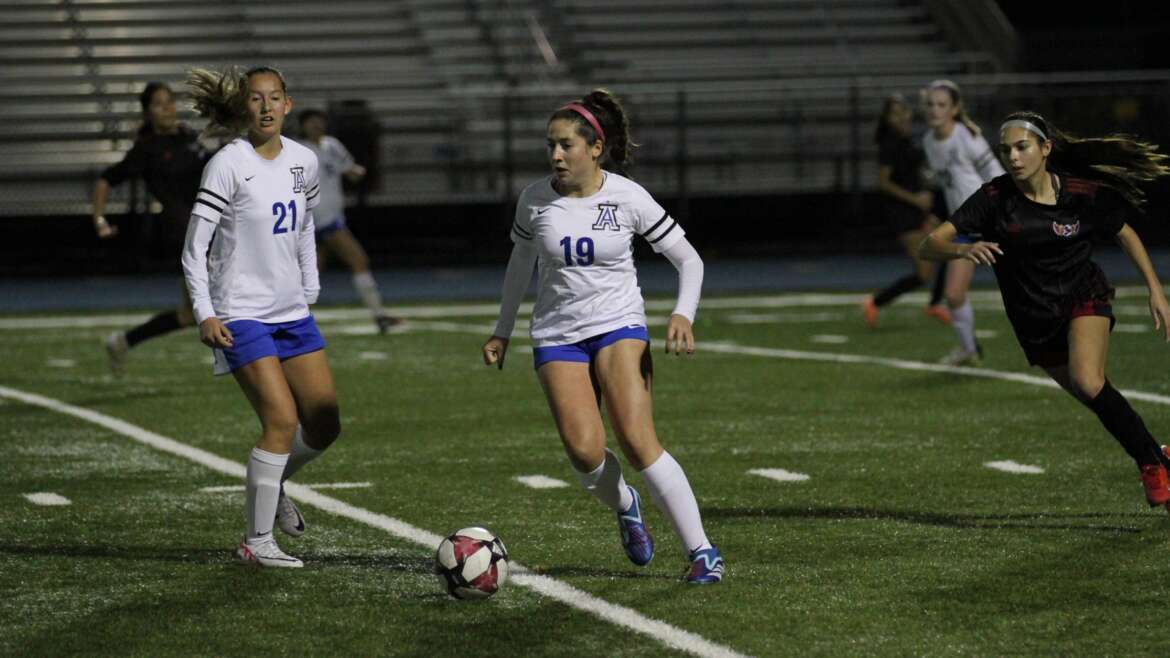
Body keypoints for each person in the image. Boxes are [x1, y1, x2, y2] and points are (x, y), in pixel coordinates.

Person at [481, 89, 724, 584]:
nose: (555, 155)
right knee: (586, 452)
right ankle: (626, 502)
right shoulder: (534, 199)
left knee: (636, 441)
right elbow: (519, 265)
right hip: (557, 334)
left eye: (566, 145)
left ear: (596, 148)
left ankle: (702, 551)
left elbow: (689, 259)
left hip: (619, 325)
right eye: (551, 144)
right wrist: (501, 331)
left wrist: (683, 314)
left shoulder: (628, 196)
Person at [919, 110, 1170, 510]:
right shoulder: (993, 199)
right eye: (1006, 150)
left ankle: (1149, 465)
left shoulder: (1079, 193)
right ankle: (1158, 455)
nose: (1013, 157)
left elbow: (1125, 233)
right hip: (1032, 317)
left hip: (1083, 296)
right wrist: (964, 248)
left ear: (1045, 148)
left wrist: (1156, 291)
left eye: (1022, 147)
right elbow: (930, 244)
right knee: (1094, 396)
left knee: (1089, 381)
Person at [182, 65, 341, 568]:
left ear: (288, 105)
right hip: (241, 312)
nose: (267, 107)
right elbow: (194, 248)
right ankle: (256, 542)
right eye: (256, 99)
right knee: (281, 420)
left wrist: (309, 287)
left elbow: (303, 227)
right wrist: (205, 312)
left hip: (292, 312)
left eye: (275, 98)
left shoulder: (304, 161)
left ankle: (274, 488)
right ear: (244, 108)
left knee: (324, 422)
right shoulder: (228, 164)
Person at [92, 82, 212, 374]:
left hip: (213, 227)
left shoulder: (187, 136)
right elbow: (106, 179)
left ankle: (123, 341)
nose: (168, 107)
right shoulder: (147, 149)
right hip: (188, 235)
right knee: (229, 303)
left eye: (170, 101)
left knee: (189, 315)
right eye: (159, 104)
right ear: (148, 113)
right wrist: (99, 218)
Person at [922, 80, 1006, 365]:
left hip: (990, 220)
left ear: (955, 109)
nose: (934, 110)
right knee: (954, 295)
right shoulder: (929, 142)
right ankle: (970, 350)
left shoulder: (967, 137)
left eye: (941, 105)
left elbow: (998, 179)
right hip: (965, 226)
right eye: (931, 104)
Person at [297, 109, 401, 333]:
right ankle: (379, 314)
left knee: (314, 274)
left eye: (319, 121)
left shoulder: (332, 145)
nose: (316, 125)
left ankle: (297, 322)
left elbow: (348, 169)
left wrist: (356, 171)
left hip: (331, 218)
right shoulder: (299, 151)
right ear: (303, 126)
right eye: (311, 122)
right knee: (357, 260)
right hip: (313, 220)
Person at [862, 94, 944, 327]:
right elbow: (884, 183)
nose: (901, 116)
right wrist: (916, 200)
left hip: (917, 210)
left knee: (952, 246)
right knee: (925, 272)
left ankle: (936, 302)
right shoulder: (890, 143)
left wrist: (925, 196)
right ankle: (877, 302)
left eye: (903, 111)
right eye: (895, 113)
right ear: (887, 119)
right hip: (903, 212)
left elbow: (916, 174)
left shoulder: (908, 140)